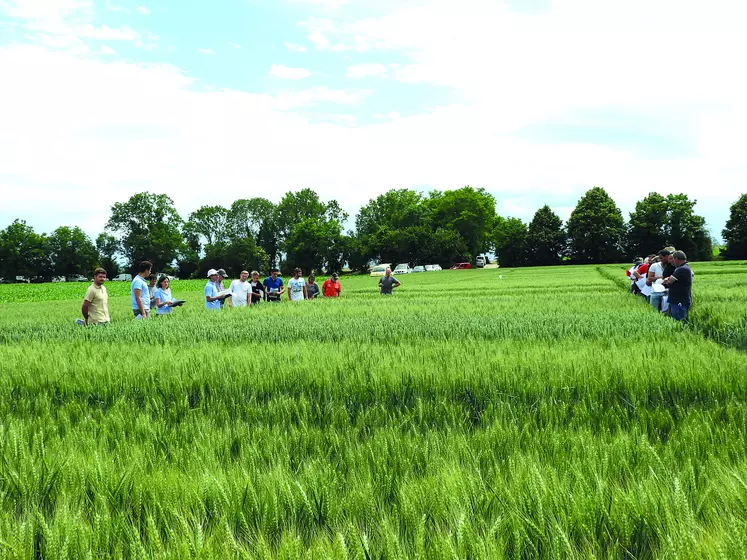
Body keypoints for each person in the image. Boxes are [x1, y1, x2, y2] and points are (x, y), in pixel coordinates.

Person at [663, 250, 693, 321]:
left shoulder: (681, 269)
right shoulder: (686, 267)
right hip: (680, 299)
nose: (671, 262)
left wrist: (667, 280)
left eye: (672, 259)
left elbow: (669, 281)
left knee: (679, 321)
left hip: (679, 301)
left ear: (676, 258)